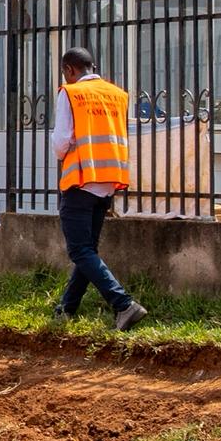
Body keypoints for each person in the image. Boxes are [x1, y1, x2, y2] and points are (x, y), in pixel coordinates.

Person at [52, 46, 148, 332]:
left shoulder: (70, 93)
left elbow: (61, 144)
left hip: (82, 178)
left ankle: (123, 304)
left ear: (69, 70)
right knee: (88, 249)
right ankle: (67, 308)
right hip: (109, 180)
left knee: (80, 250)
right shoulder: (117, 94)